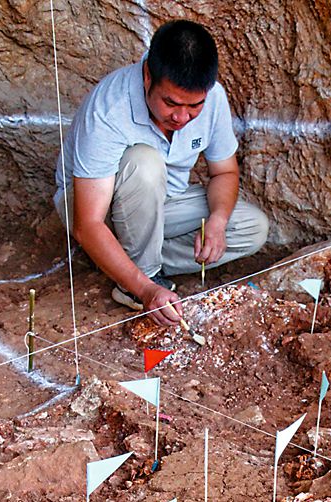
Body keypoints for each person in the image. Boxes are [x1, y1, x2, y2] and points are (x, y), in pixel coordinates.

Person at [54, 19, 269, 326]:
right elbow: (88, 223)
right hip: (96, 210)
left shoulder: (213, 98)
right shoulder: (109, 109)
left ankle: (120, 262)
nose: (182, 117)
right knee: (145, 162)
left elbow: (224, 173)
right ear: (147, 77)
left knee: (252, 227)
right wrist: (146, 289)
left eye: (194, 106)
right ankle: (139, 282)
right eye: (171, 103)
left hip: (162, 205)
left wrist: (218, 222)